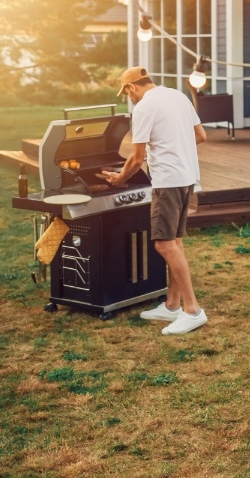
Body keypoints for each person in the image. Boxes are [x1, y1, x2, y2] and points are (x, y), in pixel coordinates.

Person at [102, 66, 208, 335]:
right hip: (186, 178)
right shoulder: (178, 95)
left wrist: (119, 178)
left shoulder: (144, 107)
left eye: (127, 93)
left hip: (168, 182)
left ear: (131, 88)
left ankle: (192, 310)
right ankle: (172, 305)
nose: (130, 98)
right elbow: (200, 136)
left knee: (163, 245)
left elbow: (136, 158)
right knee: (175, 242)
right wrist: (172, 151)